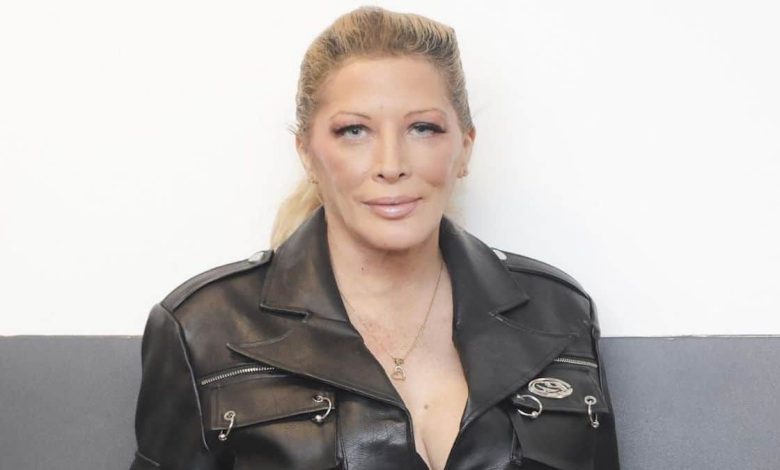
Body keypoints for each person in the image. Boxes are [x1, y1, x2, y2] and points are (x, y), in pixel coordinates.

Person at [129, 5, 620, 470]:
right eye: (354, 131)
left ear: (465, 147)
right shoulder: (204, 330)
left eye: (423, 128)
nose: (391, 165)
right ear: (307, 153)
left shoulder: (559, 312)